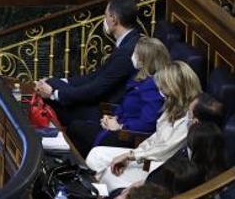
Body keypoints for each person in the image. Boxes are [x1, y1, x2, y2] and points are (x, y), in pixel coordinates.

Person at [85, 60, 202, 194]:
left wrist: (131, 156)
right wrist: (133, 154)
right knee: (96, 155)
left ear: (176, 87)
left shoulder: (191, 116)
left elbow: (165, 150)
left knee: (110, 176)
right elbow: (155, 136)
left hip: (160, 164)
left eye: (165, 86)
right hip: (145, 155)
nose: (161, 90)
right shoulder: (172, 103)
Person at [34, 0, 141, 127]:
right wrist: (62, 81)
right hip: (99, 101)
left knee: (52, 93)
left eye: (106, 15)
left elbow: (95, 90)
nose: (105, 19)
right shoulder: (128, 41)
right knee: (52, 82)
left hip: (103, 110)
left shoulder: (126, 51)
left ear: (114, 19)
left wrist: (53, 94)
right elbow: (96, 75)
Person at [66, 36, 171, 155]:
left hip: (128, 138)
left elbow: (147, 123)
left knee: (75, 128)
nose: (133, 56)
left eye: (136, 54)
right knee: (76, 124)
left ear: (144, 60)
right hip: (118, 127)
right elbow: (126, 106)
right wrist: (112, 118)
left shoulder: (153, 87)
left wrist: (120, 126)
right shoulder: (140, 78)